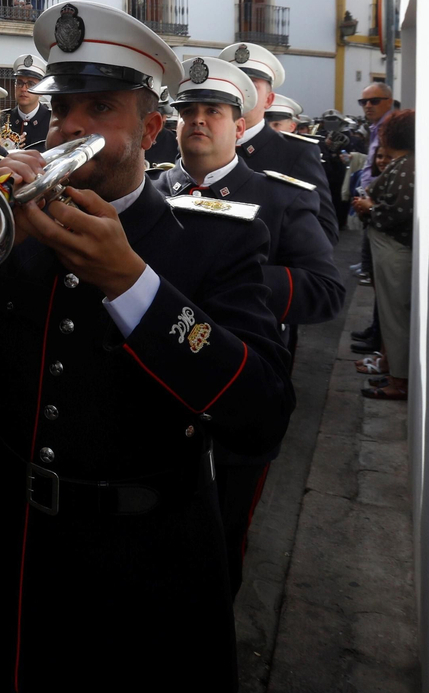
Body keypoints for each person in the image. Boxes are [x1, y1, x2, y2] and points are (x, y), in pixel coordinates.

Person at [0, 0, 294, 690]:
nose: (73, 128)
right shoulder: (18, 221)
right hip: (12, 544)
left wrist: (133, 283)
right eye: (66, 110)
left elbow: (262, 410)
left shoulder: (216, 237)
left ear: (151, 129)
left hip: (147, 563)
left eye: (101, 111)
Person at [154, 57, 345, 594]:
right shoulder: (148, 193)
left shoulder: (281, 197)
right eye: (186, 110)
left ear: (239, 126)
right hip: (155, 389)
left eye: (212, 111)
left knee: (218, 544)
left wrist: (232, 282)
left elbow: (326, 290)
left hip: (234, 389)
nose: (196, 121)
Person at [218, 42, 339, 243]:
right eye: (234, 85)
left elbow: (325, 231)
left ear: (268, 100)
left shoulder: (295, 153)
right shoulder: (200, 145)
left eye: (251, 87)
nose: (240, 94)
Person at [356, 110, 415, 400]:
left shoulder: (405, 166)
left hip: (394, 250)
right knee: (392, 314)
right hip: (389, 249)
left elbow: (399, 212)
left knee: (395, 318)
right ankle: (393, 369)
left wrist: (369, 207)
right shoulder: (406, 163)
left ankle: (399, 381)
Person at [1, 53, 51, 148]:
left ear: (41, 90)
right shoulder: (1, 120)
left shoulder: (51, 121)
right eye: (19, 83)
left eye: (30, 83)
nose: (24, 89)